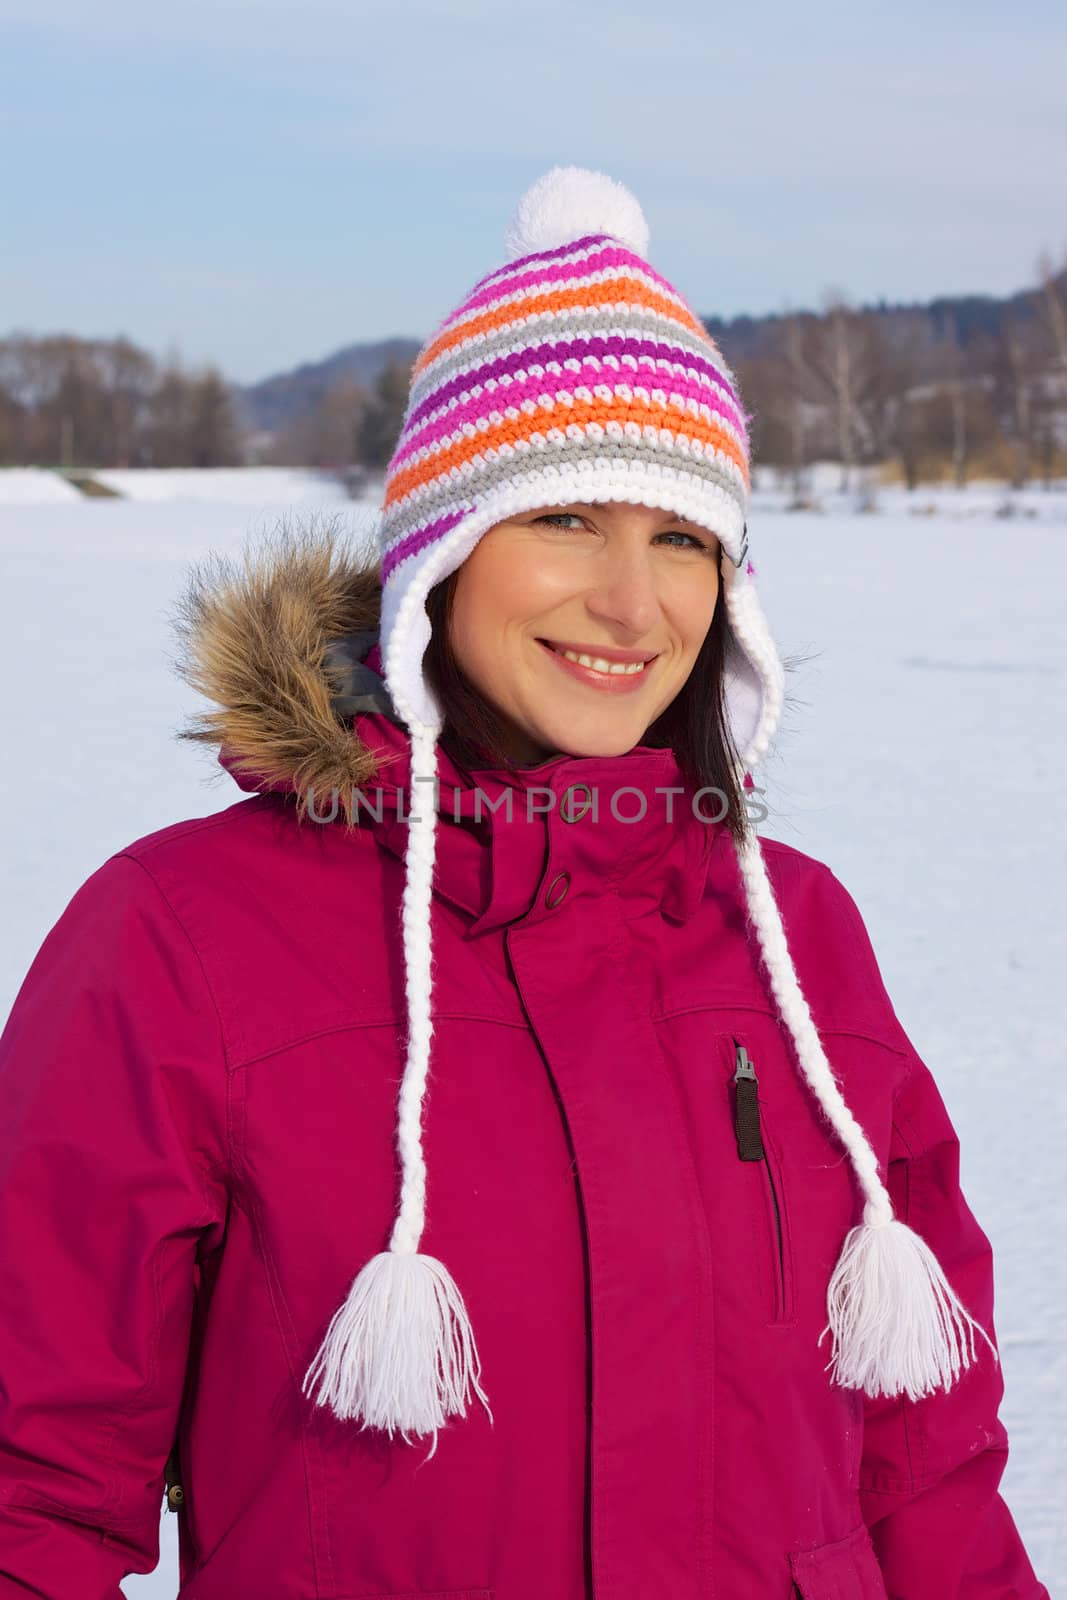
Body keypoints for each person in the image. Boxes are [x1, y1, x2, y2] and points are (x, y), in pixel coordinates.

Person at [0, 166, 1049, 1599]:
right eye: (566, 520)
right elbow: (31, 1482)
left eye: (680, 536)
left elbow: (921, 1456)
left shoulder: (794, 935)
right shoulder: (179, 935)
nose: (633, 603)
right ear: (438, 554)